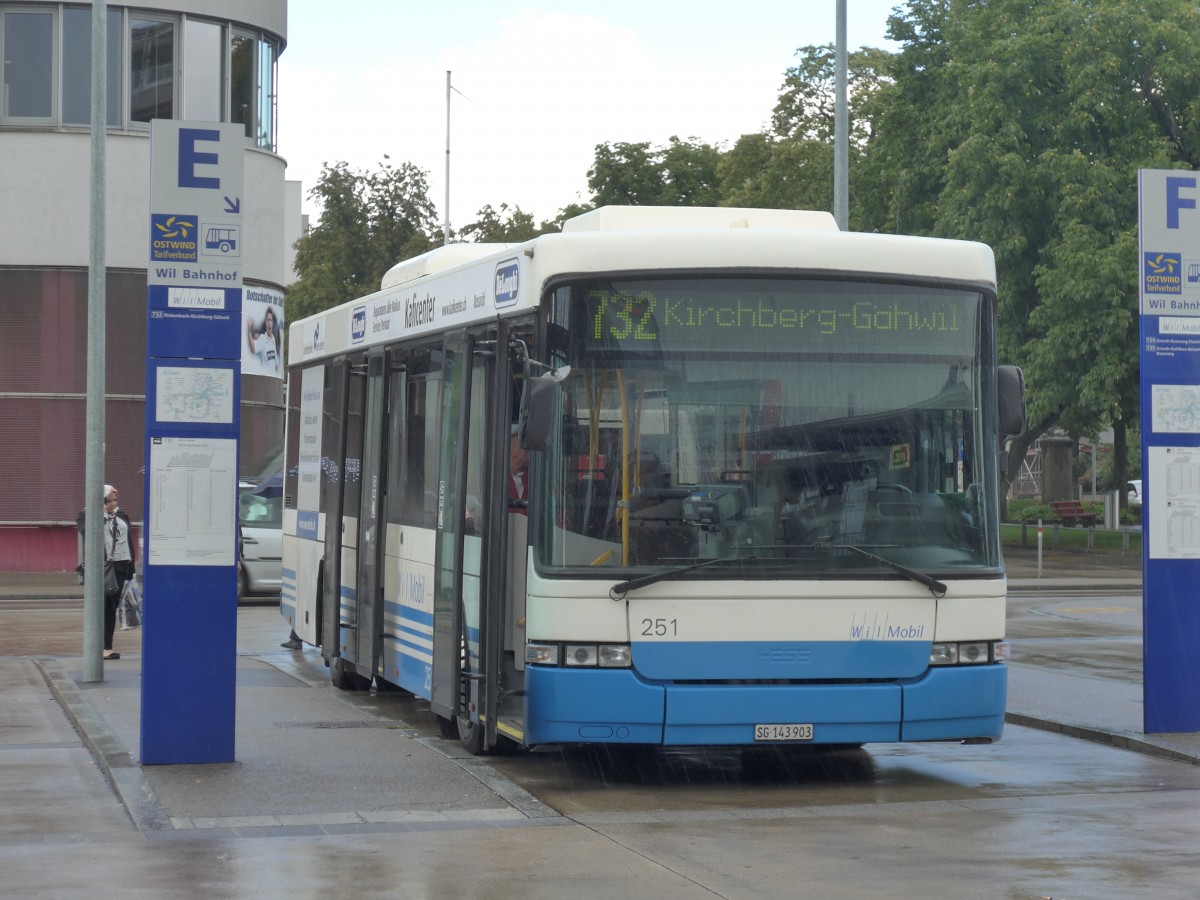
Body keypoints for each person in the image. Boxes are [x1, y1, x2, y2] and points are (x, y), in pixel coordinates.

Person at [101, 485, 134, 660]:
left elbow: (128, 542)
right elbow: (86, 532)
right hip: (105, 569)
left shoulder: (121, 516)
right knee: (103, 608)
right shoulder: (89, 516)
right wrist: (101, 514)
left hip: (121, 568)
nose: (113, 504)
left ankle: (106, 646)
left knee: (111, 609)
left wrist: (131, 572)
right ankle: (102, 647)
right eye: (109, 501)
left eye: (115, 500)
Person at [246, 306, 281, 374]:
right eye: (268, 320)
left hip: (273, 377)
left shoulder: (273, 339)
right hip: (265, 376)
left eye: (270, 320)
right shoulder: (262, 338)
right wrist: (249, 330)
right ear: (265, 322)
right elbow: (253, 349)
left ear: (273, 322)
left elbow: (276, 365)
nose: (269, 322)